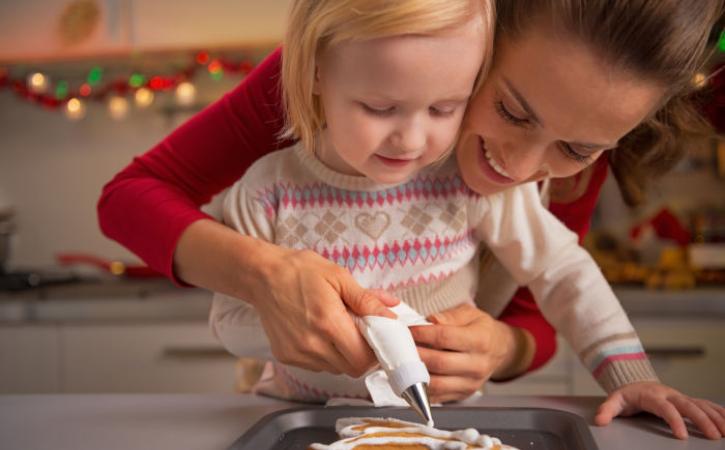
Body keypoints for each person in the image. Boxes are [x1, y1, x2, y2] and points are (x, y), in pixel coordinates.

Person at [97, 0, 725, 440]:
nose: (518, 165)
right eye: (510, 109)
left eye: (578, 149)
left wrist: (507, 349)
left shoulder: (503, 182)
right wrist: (266, 281)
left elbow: (558, 280)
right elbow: (131, 199)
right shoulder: (359, 59)